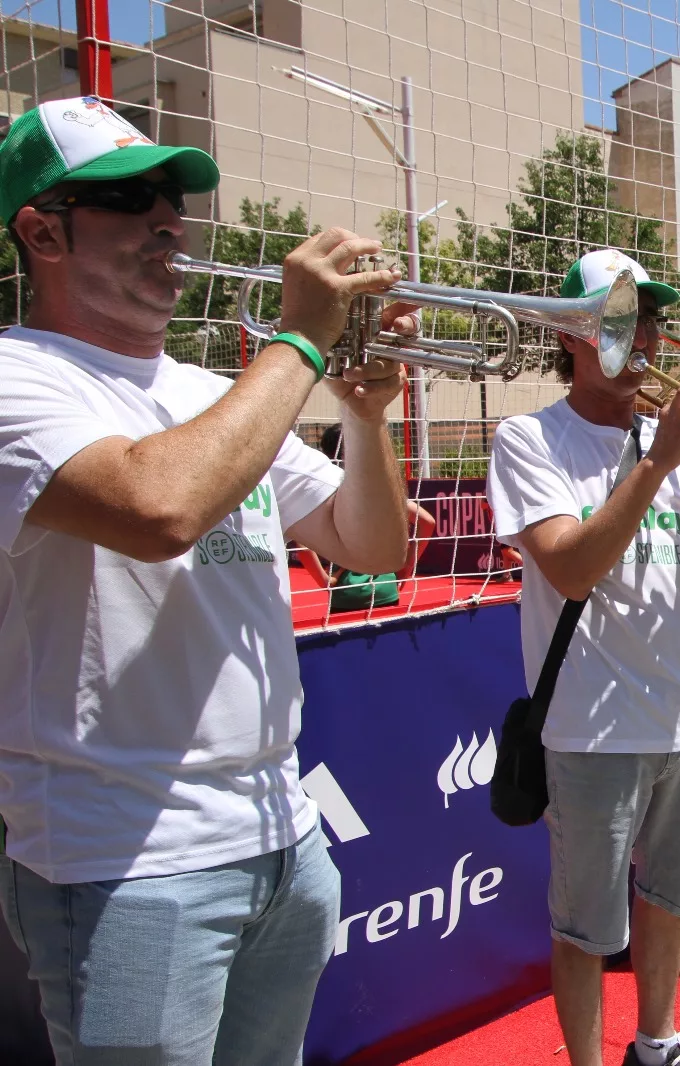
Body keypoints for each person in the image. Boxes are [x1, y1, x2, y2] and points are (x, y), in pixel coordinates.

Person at [0, 97, 414, 1063]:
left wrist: (365, 416)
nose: (169, 222)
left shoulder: (209, 393)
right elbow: (159, 509)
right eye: (131, 199)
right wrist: (302, 340)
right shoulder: (19, 375)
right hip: (126, 861)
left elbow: (371, 544)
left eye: (174, 198)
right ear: (41, 230)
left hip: (282, 834)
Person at [487, 249, 680, 1066]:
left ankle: (657, 1042)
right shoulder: (528, 437)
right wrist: (658, 462)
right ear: (572, 334)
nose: (643, 333)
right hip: (589, 730)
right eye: (620, 316)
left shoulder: (669, 442)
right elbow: (570, 565)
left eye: (649, 316)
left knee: (672, 901)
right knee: (585, 927)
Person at [298, 423, 437, 611]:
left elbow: (300, 542)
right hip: (386, 588)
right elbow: (426, 521)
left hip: (348, 591)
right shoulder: (378, 489)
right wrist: (407, 566)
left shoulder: (324, 488)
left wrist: (324, 580)